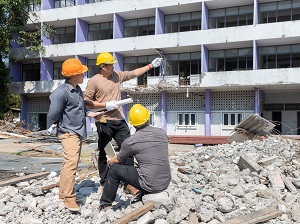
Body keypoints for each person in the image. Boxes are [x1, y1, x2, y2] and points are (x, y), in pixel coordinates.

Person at [83, 52, 162, 189]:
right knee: (105, 151)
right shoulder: (94, 81)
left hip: (119, 120)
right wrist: (105, 105)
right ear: (102, 66)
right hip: (104, 120)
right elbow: (86, 101)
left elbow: (133, 73)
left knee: (129, 149)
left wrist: (150, 66)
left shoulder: (117, 76)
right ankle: (105, 182)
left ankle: (128, 182)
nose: (113, 66)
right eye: (110, 64)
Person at [48, 58, 101, 212]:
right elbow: (53, 115)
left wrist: (92, 114)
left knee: (69, 164)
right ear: (73, 76)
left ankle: (62, 194)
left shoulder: (77, 89)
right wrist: (58, 123)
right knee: (71, 164)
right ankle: (69, 199)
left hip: (77, 131)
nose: (84, 75)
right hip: (68, 132)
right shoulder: (60, 93)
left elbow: (80, 109)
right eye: (81, 73)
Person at [99, 104, 171, 209]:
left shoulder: (131, 141)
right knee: (143, 166)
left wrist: (110, 161)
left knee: (114, 169)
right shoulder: (162, 132)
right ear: (148, 119)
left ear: (132, 124)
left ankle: (105, 204)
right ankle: (139, 192)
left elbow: (118, 160)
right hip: (165, 182)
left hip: (150, 184)